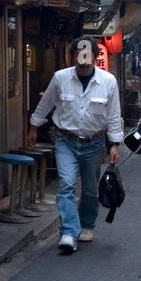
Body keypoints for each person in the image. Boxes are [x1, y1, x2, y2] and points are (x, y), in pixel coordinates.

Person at [26, 37, 123, 254]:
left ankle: (87, 224)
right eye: (79, 53)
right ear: (72, 56)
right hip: (65, 140)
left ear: (96, 56)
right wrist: (33, 126)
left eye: (88, 53)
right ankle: (69, 232)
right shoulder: (60, 78)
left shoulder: (108, 81)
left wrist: (114, 143)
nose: (84, 59)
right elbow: (46, 104)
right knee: (67, 184)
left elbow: (114, 114)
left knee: (90, 189)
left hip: (94, 142)